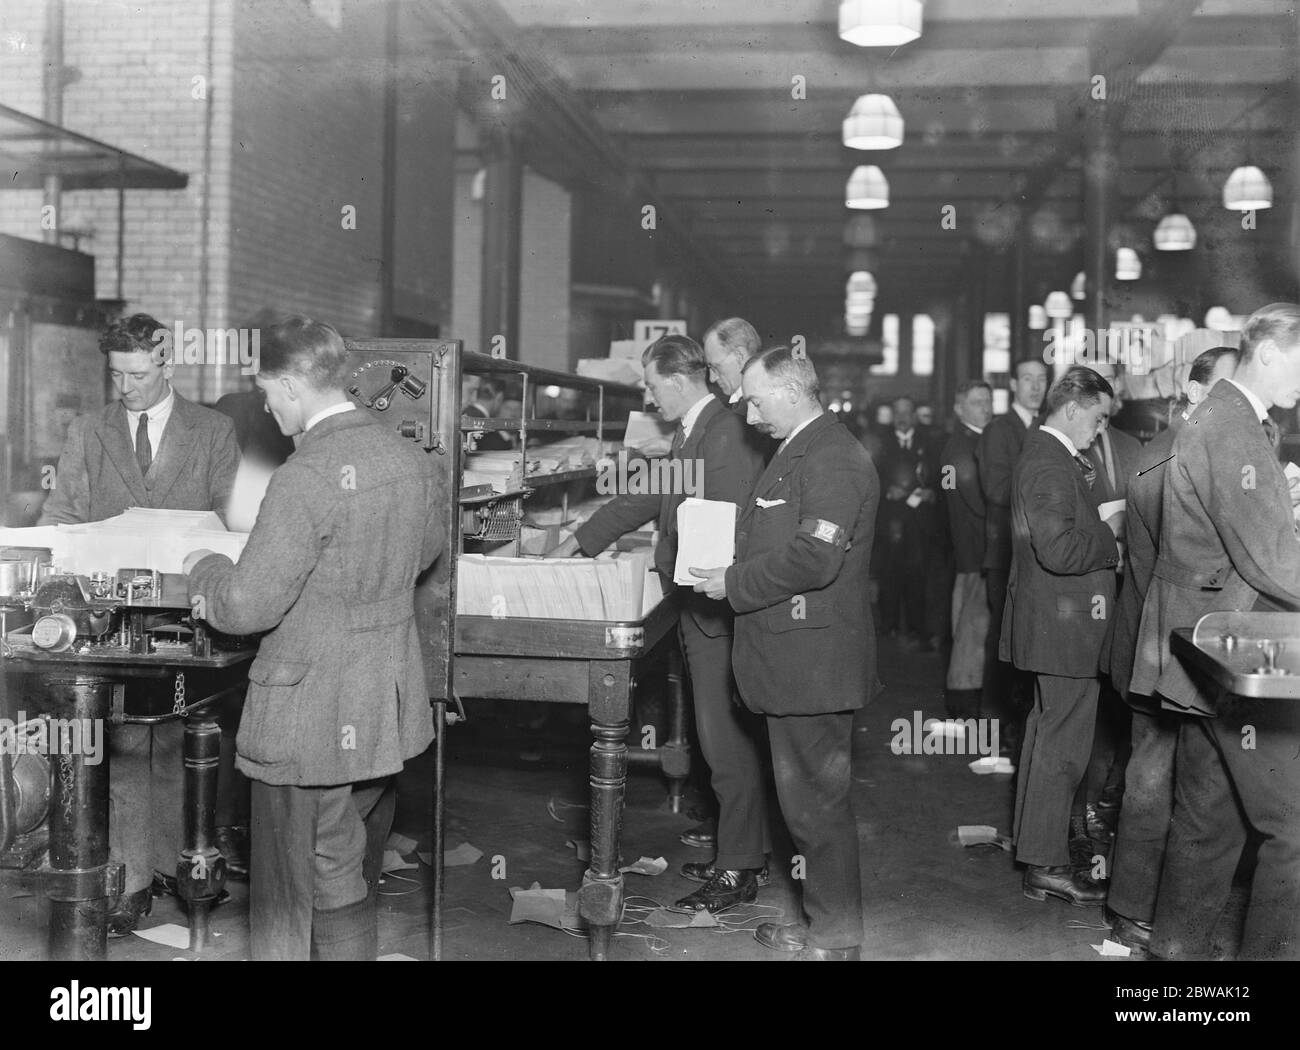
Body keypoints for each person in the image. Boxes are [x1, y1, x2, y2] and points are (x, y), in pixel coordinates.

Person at [184, 317, 440, 960]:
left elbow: (245, 605)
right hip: (385, 701)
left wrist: (205, 568)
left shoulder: (307, 475)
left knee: (286, 886)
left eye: (268, 393)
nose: (267, 410)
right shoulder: (408, 457)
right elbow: (428, 552)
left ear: (293, 385)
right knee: (338, 862)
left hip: (311, 710)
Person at [550, 334, 769, 912]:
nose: (648, 398)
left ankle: (740, 867)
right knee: (718, 735)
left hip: (714, 608)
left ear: (677, 379)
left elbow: (721, 524)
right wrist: (582, 539)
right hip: (699, 603)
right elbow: (655, 493)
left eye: (651, 385)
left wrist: (676, 571)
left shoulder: (721, 430)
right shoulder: (696, 427)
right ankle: (741, 850)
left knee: (725, 739)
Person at [38, 312, 240, 936]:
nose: (124, 386)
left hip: (190, 618)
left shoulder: (213, 429)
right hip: (109, 617)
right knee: (120, 746)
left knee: (184, 742)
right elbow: (61, 515)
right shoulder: (88, 429)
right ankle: (124, 878)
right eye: (116, 375)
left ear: (167, 365)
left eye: (137, 373)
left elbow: (236, 526)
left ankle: (181, 865)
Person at [691, 345, 878, 961]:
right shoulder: (798, 450)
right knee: (806, 810)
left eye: (756, 399)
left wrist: (733, 582)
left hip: (812, 665)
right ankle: (826, 925)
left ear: (794, 392)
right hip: (792, 660)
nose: (745, 414)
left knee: (817, 809)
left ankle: (834, 939)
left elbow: (815, 558)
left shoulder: (832, 457)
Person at [1133, 303, 1300, 960]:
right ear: (1269, 353)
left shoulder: (1229, 419)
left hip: (1200, 645)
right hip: (1233, 649)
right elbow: (1270, 559)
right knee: (1293, 829)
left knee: (1211, 821)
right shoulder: (1232, 427)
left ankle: (1175, 963)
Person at [1102, 345, 1239, 953]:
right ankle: (1134, 909)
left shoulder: (1185, 452)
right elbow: (1183, 567)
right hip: (1164, 648)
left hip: (1173, 644)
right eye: (1226, 391)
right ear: (1192, 388)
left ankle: (1145, 907)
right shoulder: (1171, 460)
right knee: (1156, 781)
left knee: (1174, 780)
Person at [1002, 366, 1121, 908]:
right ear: (1072, 407)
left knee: (1048, 738)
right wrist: (1111, 536)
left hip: (1056, 626)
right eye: (1097, 419)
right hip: (1063, 629)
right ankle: (1047, 865)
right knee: (1063, 749)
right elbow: (1058, 550)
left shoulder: (1046, 456)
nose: (1098, 431)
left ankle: (1038, 851)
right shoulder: (1049, 462)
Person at [977, 358, 1048, 757]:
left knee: (1023, 639)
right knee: (1003, 640)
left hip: (1031, 553)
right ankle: (997, 724)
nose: (1035, 387)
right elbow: (996, 489)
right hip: (1005, 553)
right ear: (1014, 384)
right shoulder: (999, 430)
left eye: (1041, 380)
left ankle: (1016, 724)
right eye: (1027, 379)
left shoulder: (1043, 427)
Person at [875, 395, 943, 650]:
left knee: (919, 576)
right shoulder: (880, 442)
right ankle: (888, 625)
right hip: (890, 522)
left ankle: (917, 628)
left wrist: (932, 492)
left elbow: (940, 477)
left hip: (919, 522)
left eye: (907, 412)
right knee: (889, 574)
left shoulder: (931, 443)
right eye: (898, 412)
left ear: (914, 415)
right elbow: (868, 476)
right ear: (892, 415)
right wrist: (886, 490)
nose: (902, 417)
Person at [941, 380, 992, 716]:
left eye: (988, 401)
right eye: (977, 402)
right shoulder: (964, 449)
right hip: (977, 551)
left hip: (968, 552)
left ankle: (965, 701)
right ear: (960, 408)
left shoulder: (967, 444)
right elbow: (980, 503)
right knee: (972, 631)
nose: (985, 408)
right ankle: (965, 705)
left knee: (969, 628)